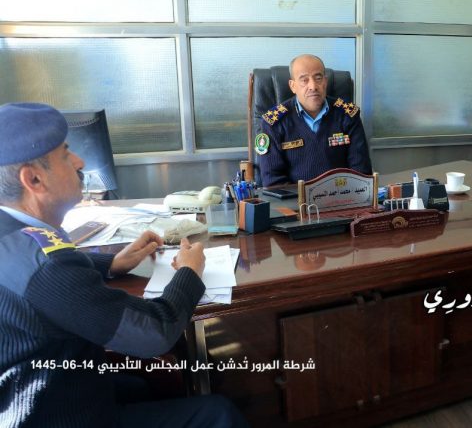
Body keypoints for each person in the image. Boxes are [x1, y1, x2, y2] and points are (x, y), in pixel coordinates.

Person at [0, 103, 248, 427]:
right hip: (53, 413)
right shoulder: (46, 268)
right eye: (65, 154)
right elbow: (153, 332)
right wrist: (189, 271)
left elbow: (41, 269)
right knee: (218, 413)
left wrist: (112, 263)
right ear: (33, 178)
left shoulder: (13, 235)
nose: (79, 162)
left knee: (145, 386)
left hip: (39, 383)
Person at [256, 54, 373, 186]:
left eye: (318, 78)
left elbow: (361, 172)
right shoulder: (274, 123)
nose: (313, 86)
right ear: (293, 86)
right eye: (304, 80)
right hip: (296, 198)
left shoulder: (347, 115)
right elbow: (273, 181)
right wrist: (304, 197)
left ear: (325, 82)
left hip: (342, 195)